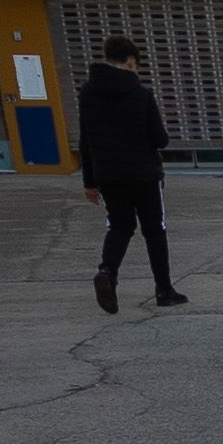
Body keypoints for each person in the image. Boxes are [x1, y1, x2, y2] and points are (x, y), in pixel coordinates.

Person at [77, 34, 181, 313]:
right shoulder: (140, 94)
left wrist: (89, 182)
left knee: (120, 226)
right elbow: (160, 138)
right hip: (144, 173)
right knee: (154, 229)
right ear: (131, 62)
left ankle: (107, 273)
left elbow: (85, 141)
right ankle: (164, 289)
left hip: (108, 174)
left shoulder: (87, 93)